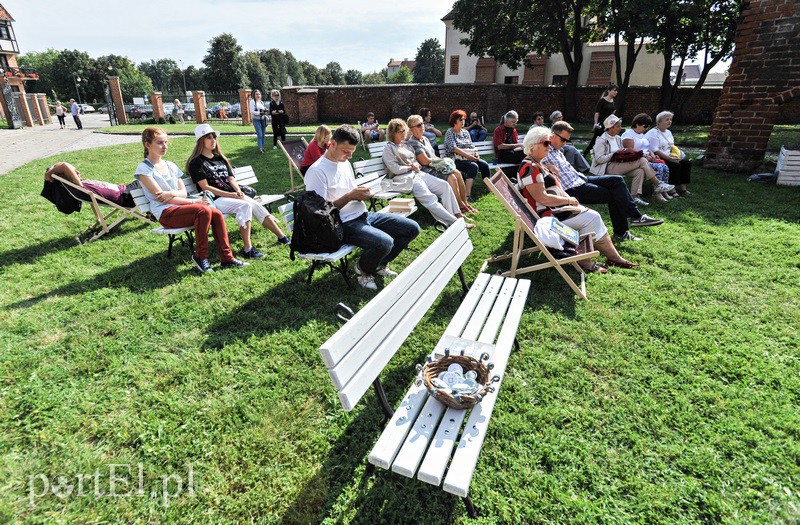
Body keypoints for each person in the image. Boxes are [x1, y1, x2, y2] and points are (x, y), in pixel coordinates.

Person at [305, 125, 420, 290]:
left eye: (352, 151)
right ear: (332, 144)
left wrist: (365, 193)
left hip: (362, 214)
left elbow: (350, 191)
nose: (350, 156)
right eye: (346, 151)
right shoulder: (317, 171)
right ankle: (363, 270)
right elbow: (319, 213)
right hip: (342, 223)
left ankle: (378, 265)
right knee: (385, 242)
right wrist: (350, 196)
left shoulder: (344, 162)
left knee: (411, 228)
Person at [519, 126, 638, 271]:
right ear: (532, 146)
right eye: (545, 143)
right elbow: (542, 198)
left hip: (556, 210)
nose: (549, 146)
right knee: (593, 218)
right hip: (549, 215)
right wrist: (569, 201)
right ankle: (602, 260)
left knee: (592, 218)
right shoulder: (529, 168)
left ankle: (601, 259)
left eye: (549, 143)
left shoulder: (537, 163)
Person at [135, 126, 247, 273]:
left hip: (183, 208)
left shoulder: (170, 165)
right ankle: (201, 257)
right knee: (203, 210)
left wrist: (171, 194)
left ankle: (227, 258)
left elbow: (183, 192)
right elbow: (163, 199)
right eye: (160, 143)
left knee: (216, 213)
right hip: (166, 213)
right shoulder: (144, 169)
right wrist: (193, 201)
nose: (164, 146)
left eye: (166, 142)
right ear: (147, 145)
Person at [545, 121, 664, 243]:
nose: (565, 143)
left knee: (617, 180)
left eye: (567, 141)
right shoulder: (543, 151)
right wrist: (545, 166)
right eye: (563, 140)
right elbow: (528, 155)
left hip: (580, 179)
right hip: (573, 189)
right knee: (615, 195)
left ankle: (635, 217)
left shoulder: (557, 149)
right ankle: (625, 229)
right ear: (553, 135)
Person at [186, 123, 290, 260]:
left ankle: (282, 237)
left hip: (232, 195)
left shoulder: (220, 158)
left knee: (255, 205)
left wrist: (238, 190)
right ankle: (248, 249)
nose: (213, 140)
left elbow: (231, 178)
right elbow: (205, 187)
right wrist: (231, 194)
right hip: (215, 200)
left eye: (214, 137)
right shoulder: (197, 163)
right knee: (245, 205)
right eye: (208, 138)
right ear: (201, 141)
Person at [381, 118, 474, 229]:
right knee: (430, 199)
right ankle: (456, 223)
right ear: (392, 133)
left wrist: (415, 165)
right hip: (406, 178)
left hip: (418, 174)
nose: (403, 134)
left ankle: (452, 217)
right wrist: (410, 167)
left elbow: (416, 161)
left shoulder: (405, 145)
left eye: (404, 131)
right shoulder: (389, 148)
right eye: (400, 132)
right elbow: (394, 168)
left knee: (445, 186)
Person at [590, 115, 674, 206]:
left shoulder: (617, 138)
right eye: (618, 126)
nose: (620, 128)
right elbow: (599, 160)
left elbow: (622, 153)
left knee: (639, 171)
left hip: (619, 164)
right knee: (642, 160)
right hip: (607, 167)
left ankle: (635, 197)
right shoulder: (601, 140)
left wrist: (625, 153)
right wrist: (614, 154)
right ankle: (658, 184)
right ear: (610, 128)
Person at [407, 114, 476, 215]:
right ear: (411, 129)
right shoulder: (413, 143)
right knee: (452, 177)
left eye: (422, 124)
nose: (422, 127)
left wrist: (441, 162)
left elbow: (433, 156)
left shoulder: (424, 139)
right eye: (418, 125)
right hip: (426, 170)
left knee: (457, 173)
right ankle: (460, 205)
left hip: (435, 166)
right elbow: (425, 161)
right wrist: (441, 162)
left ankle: (465, 202)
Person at [621, 113, 677, 201]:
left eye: (648, 126)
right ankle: (657, 193)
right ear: (637, 124)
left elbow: (647, 147)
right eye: (645, 126)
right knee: (659, 167)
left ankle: (663, 191)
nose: (646, 128)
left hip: (646, 159)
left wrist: (652, 154)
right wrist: (644, 155)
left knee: (664, 167)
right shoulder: (628, 134)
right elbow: (630, 150)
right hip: (635, 160)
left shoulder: (642, 135)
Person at [43, 162, 134, 208]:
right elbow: (64, 166)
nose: (77, 172)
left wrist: (53, 169)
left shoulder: (82, 183)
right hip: (129, 196)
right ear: (63, 176)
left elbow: (64, 165)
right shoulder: (80, 188)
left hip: (127, 189)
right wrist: (49, 173)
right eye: (73, 171)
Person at [445, 110, 490, 202]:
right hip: (455, 160)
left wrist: (475, 153)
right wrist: (468, 156)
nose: (463, 121)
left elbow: (471, 146)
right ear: (454, 121)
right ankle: (467, 195)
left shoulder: (465, 132)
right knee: (473, 166)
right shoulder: (450, 132)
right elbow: (453, 148)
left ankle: (489, 189)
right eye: (461, 119)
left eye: (464, 119)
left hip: (468, 158)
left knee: (484, 165)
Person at [645, 111, 693, 196]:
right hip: (657, 157)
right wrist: (670, 159)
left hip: (669, 155)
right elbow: (655, 150)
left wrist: (676, 155)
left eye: (670, 119)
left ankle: (682, 187)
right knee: (674, 165)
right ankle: (672, 189)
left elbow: (671, 146)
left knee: (686, 163)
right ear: (659, 121)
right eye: (667, 119)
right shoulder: (653, 133)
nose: (669, 121)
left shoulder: (668, 132)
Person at [584, 84, 618, 156]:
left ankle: (602, 154)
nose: (616, 92)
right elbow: (597, 113)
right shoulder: (602, 100)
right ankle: (585, 154)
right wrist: (595, 123)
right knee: (595, 141)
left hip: (608, 125)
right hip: (601, 124)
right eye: (614, 90)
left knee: (606, 141)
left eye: (616, 91)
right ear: (609, 91)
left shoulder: (614, 101)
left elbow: (613, 113)